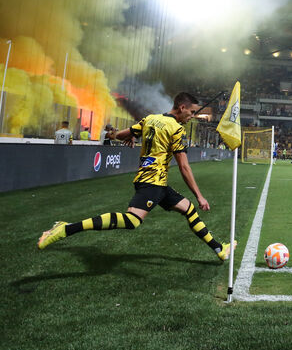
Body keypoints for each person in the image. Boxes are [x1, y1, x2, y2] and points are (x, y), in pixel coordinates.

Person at [38, 92, 234, 261]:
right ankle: (65, 228)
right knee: (132, 221)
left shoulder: (150, 119)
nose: (192, 116)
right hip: (152, 182)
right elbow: (184, 166)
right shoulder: (176, 129)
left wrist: (124, 136)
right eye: (191, 112)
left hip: (156, 182)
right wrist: (199, 195)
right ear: (182, 108)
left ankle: (219, 249)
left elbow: (119, 134)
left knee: (188, 209)